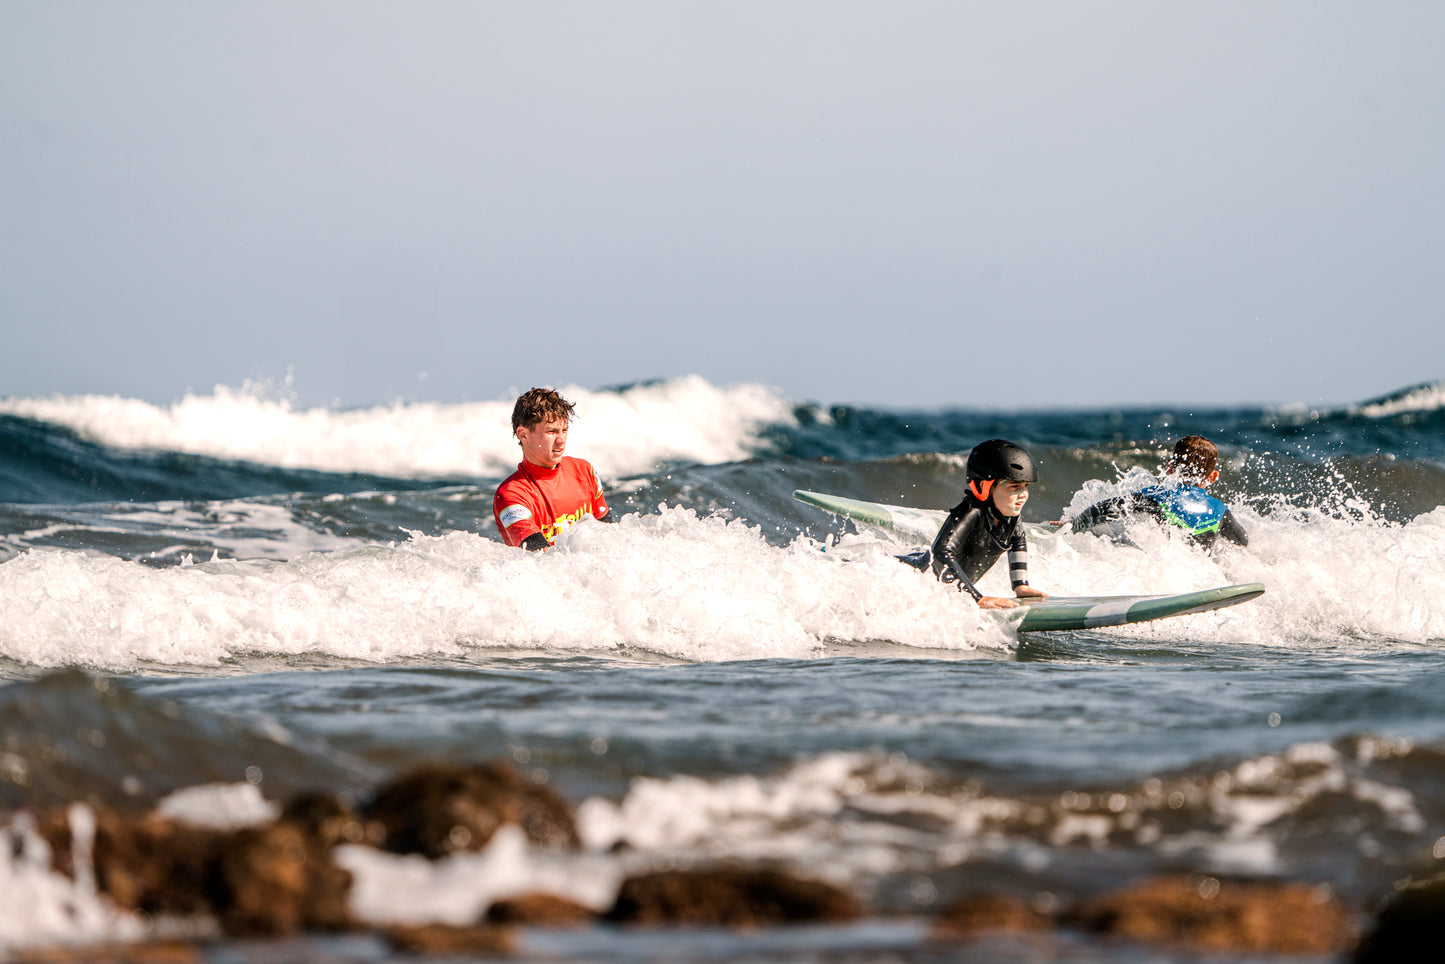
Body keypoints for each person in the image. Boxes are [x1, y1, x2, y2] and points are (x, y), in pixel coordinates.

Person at [907, 439, 1049, 610]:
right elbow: (941, 551)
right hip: (909, 579)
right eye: (1014, 486)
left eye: (1025, 486)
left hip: (941, 594)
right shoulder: (971, 512)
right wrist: (977, 598)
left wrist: (1021, 586)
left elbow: (1018, 541)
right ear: (984, 486)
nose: (1023, 494)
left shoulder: (1010, 517)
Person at [1069, 435, 1248, 549]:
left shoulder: (1158, 495)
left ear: (1170, 468)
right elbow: (1243, 542)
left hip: (1164, 570)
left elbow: (1103, 509)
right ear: (1213, 476)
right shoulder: (1219, 510)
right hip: (1198, 575)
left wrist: (1073, 524)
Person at [493, 387, 615, 551]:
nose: (561, 440)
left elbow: (612, 538)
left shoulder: (584, 471)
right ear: (523, 434)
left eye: (564, 430)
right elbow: (542, 560)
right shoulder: (512, 494)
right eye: (551, 432)